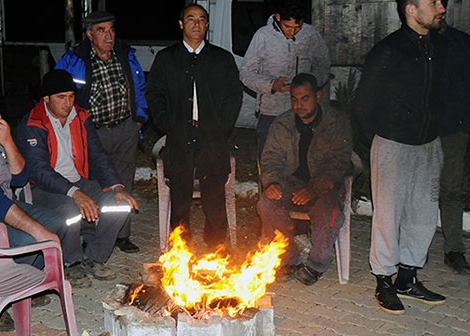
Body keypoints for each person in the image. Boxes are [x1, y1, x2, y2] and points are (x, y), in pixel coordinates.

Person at [355, 0, 447, 315]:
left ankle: (407, 278)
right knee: (388, 214)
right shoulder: (387, 51)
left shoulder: (439, 46)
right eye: (432, 2)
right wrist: (380, 139)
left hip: (429, 144)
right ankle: (383, 279)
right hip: (393, 144)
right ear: (410, 9)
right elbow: (364, 103)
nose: (441, 7)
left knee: (423, 214)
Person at [16, 69, 139, 285]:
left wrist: (116, 185)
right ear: (46, 99)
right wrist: (75, 193)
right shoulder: (32, 124)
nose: (67, 103)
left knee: (119, 204)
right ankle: (71, 262)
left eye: (71, 96)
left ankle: (94, 257)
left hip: (78, 182)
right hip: (44, 189)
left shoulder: (81, 117)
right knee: (70, 211)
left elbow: (98, 154)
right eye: (60, 97)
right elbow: (39, 170)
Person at [0, 85, 81, 288]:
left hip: (2, 204)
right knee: (30, 240)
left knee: (58, 222)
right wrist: (38, 231)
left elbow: (20, 178)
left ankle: (29, 280)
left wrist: (7, 142)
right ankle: (4, 290)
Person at [145, 3, 243, 250]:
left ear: (207, 25)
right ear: (181, 24)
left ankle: (217, 252)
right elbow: (154, 94)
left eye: (201, 19)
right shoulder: (167, 59)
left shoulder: (221, 59)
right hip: (179, 140)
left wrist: (220, 127)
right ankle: (180, 253)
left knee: (214, 201)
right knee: (180, 202)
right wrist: (169, 124)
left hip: (212, 139)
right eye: (190, 18)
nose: (196, 24)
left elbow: (234, 96)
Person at [54, 10, 149, 254]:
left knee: (123, 182)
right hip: (91, 134)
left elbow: (139, 87)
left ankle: (122, 235)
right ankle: (93, 234)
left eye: (111, 29)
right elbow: (57, 93)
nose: (109, 35)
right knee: (94, 183)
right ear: (89, 34)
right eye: (101, 30)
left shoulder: (125, 54)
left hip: (124, 128)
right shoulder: (74, 60)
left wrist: (138, 120)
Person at [257, 73, 352, 286]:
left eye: (305, 98)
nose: (299, 105)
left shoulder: (335, 122)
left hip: (325, 184)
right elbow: (271, 157)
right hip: (291, 182)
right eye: (294, 99)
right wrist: (271, 182)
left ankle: (316, 264)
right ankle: (289, 260)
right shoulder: (283, 123)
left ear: (318, 96)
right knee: (267, 203)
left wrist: (316, 187)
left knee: (325, 211)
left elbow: (339, 160)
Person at [239, 0, 330, 161]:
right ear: (278, 17)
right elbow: (246, 73)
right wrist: (271, 85)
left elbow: (323, 67)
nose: (292, 33)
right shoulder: (263, 36)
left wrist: (309, 86)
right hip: (271, 111)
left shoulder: (311, 34)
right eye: (288, 27)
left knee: (302, 159)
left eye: (298, 28)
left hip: (304, 111)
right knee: (270, 158)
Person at [438, 15, 470, 275]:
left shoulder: (461, 44)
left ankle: (454, 250)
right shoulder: (410, 44)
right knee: (417, 193)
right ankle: (411, 251)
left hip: (454, 130)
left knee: (451, 190)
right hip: (418, 132)